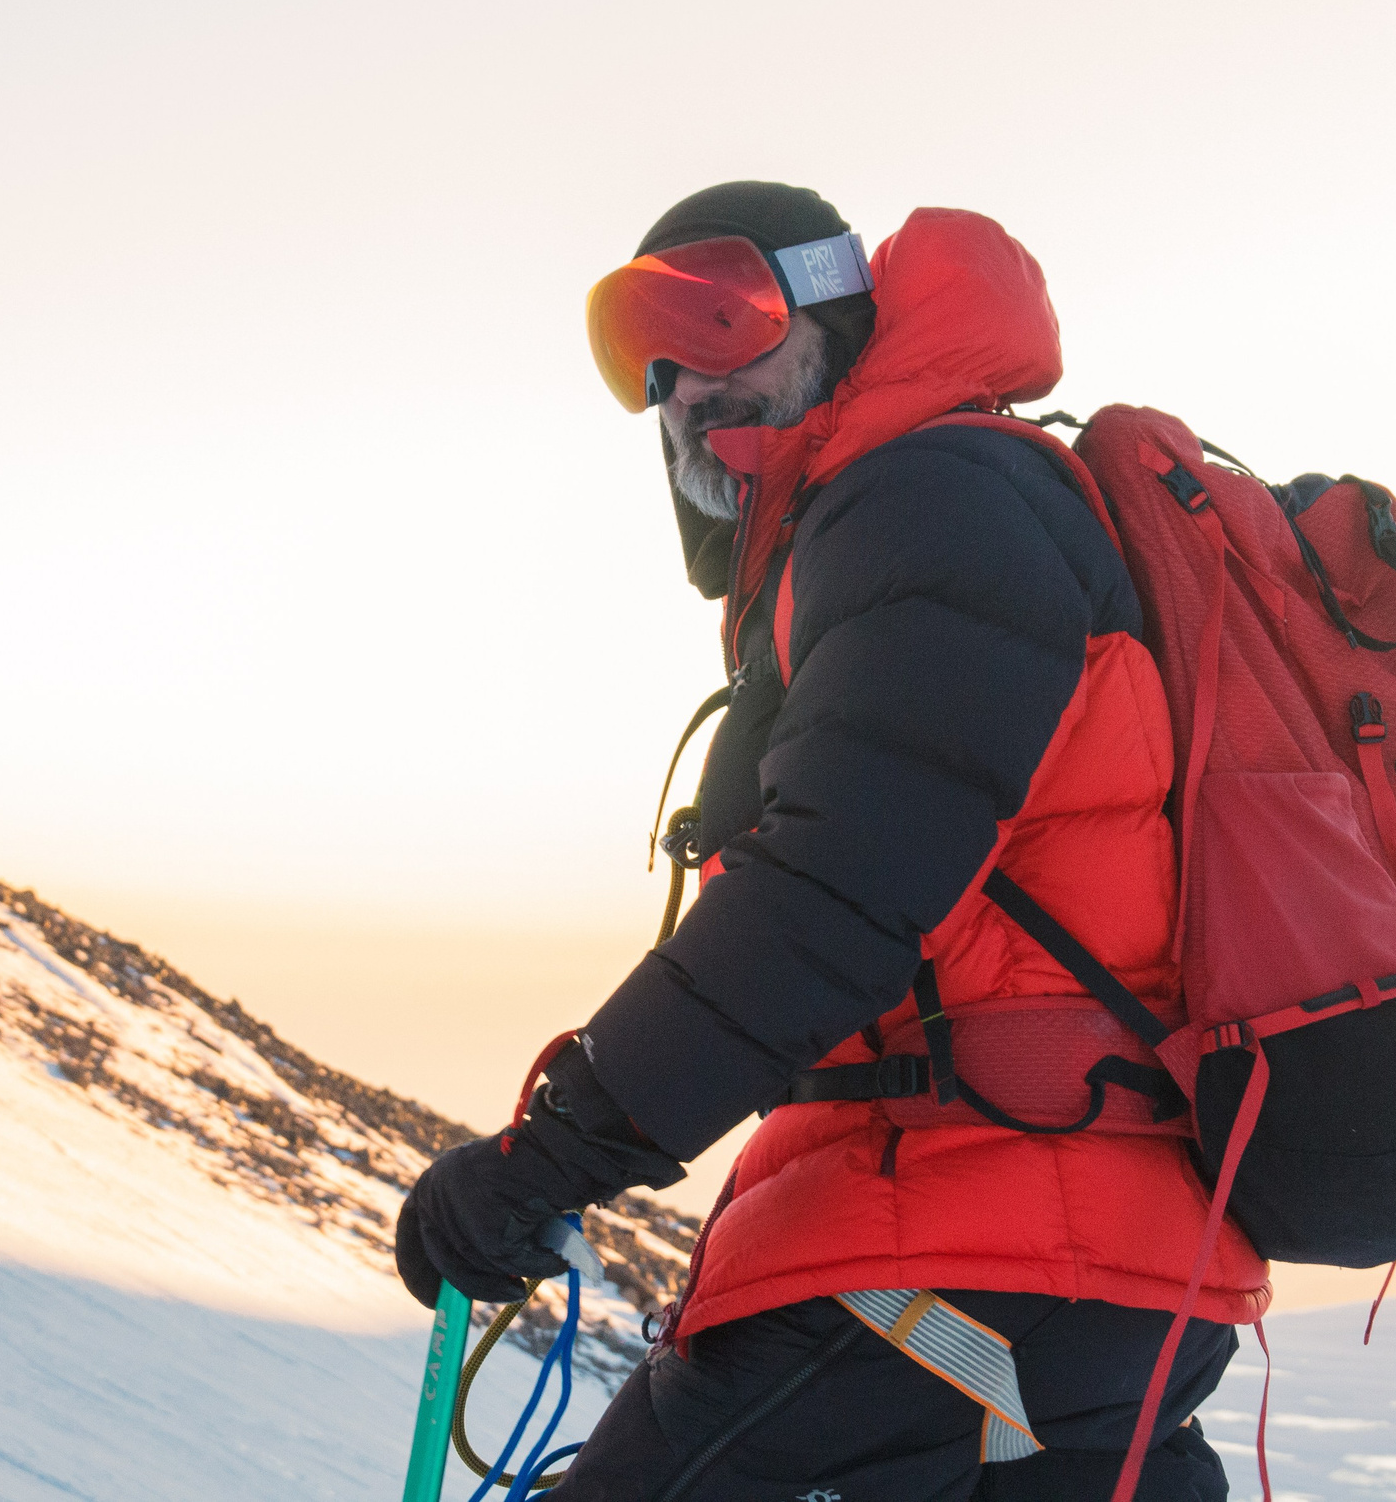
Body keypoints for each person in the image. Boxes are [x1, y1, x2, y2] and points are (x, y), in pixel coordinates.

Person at [396, 182, 1267, 1500]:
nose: (685, 382)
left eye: (722, 316)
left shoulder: (933, 499)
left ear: (836, 313)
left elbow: (837, 888)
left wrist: (554, 1155)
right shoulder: (896, 524)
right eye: (643, 352)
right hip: (1095, 1267)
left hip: (967, 1237)